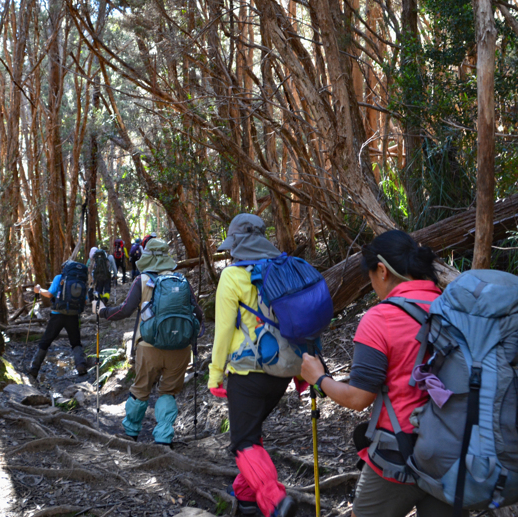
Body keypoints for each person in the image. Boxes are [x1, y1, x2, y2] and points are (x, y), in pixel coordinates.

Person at [299, 230, 454, 517]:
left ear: (381, 270)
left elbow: (359, 398)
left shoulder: (380, 318)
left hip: (401, 452)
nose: (372, 285)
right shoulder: (450, 307)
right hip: (453, 449)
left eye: (370, 277)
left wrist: (319, 378)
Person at [208, 213, 298, 517]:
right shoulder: (283, 269)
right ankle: (246, 501)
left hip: (247, 373)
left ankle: (275, 500)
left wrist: (214, 374)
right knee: (252, 434)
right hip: (283, 372)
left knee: (244, 442)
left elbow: (223, 332)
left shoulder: (232, 277)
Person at [96, 238, 204, 447]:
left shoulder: (143, 280)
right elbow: (198, 314)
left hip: (148, 346)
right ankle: (164, 439)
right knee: (168, 392)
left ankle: (131, 434)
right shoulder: (181, 280)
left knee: (140, 390)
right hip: (180, 348)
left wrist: (102, 311)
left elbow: (124, 311)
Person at [29, 260, 90, 378]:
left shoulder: (59, 277)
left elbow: (50, 294)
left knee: (45, 341)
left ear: (64, 268)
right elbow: (86, 300)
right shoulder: (80, 280)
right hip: (73, 315)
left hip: (57, 314)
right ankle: (81, 366)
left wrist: (39, 290)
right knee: (75, 342)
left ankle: (34, 369)